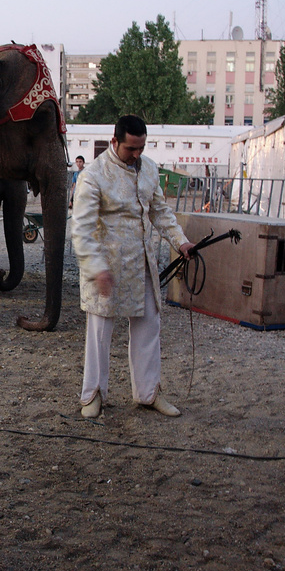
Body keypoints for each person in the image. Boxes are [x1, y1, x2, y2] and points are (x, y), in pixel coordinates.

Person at [70, 115, 193, 419]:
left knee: (149, 325)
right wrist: (96, 268)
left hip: (142, 264)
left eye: (142, 147)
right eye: (130, 149)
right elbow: (82, 229)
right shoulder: (93, 175)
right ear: (114, 142)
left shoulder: (149, 168)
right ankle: (93, 395)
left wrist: (181, 241)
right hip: (105, 268)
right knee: (99, 333)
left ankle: (148, 393)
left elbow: (161, 213)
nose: (137, 154)